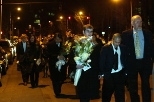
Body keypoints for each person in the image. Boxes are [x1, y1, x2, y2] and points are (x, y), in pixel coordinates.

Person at [121, 15, 154, 102]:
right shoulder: (125, 34)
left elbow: (151, 48)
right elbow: (123, 50)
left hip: (145, 62)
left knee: (146, 84)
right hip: (132, 63)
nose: (139, 24)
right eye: (137, 21)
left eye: (140, 21)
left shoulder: (148, 33)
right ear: (132, 23)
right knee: (133, 85)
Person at [73, 24, 101, 102]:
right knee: (82, 94)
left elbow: (98, 59)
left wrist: (99, 72)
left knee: (89, 95)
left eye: (91, 31)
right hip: (81, 71)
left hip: (92, 72)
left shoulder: (96, 45)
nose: (89, 33)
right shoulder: (77, 43)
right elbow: (72, 57)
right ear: (83, 32)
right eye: (87, 31)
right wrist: (76, 66)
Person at [99, 33, 127, 102]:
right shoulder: (106, 48)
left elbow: (125, 59)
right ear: (112, 40)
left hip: (120, 74)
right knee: (106, 95)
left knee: (120, 96)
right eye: (116, 42)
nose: (117, 44)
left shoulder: (123, 48)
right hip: (109, 74)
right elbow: (102, 61)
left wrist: (125, 72)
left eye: (119, 42)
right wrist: (102, 73)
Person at [47, 32, 66, 98]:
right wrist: (57, 56)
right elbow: (48, 54)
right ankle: (57, 92)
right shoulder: (50, 44)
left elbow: (66, 53)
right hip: (53, 64)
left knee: (61, 78)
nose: (58, 40)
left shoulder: (63, 45)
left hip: (62, 64)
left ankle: (58, 89)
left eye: (59, 39)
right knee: (55, 79)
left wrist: (64, 57)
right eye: (56, 39)